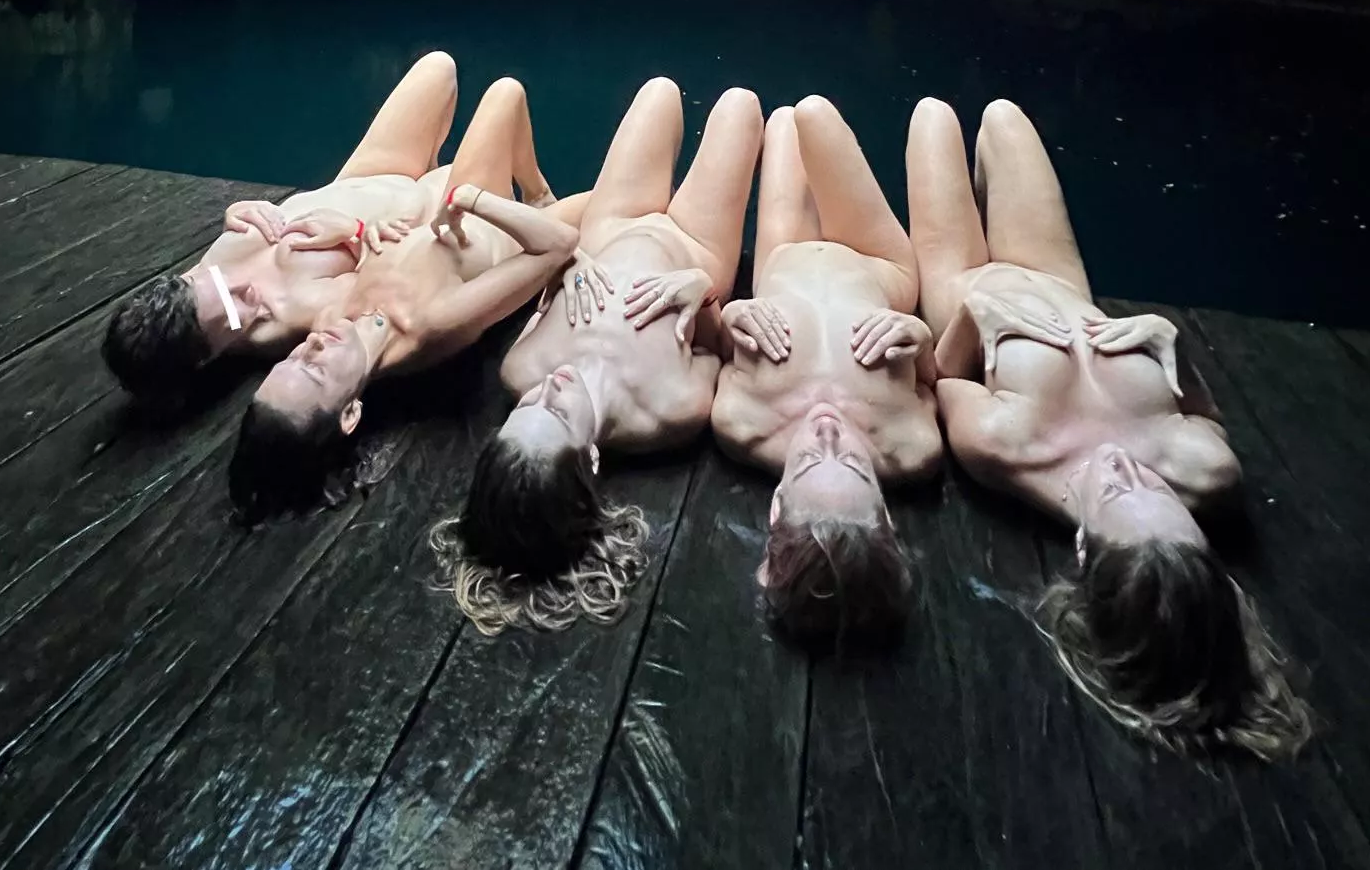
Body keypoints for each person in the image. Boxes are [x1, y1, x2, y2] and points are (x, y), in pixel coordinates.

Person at [908, 95, 1312, 759]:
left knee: (931, 117)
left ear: (1085, 554)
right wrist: (1166, 339)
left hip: (961, 280)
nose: (1129, 471)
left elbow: (939, 378)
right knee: (1007, 118)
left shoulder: (1006, 447)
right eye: (1162, 498)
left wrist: (976, 314)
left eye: (1122, 498)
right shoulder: (1205, 469)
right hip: (1059, 276)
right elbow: (1198, 407)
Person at [436, 77, 764, 634]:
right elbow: (723, 347)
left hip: (609, 228)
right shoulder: (669, 410)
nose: (550, 385)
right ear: (590, 458)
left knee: (658, 92)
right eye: (558, 411)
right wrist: (701, 288)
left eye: (524, 409)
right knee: (739, 106)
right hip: (694, 246)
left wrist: (567, 264)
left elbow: (543, 291)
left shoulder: (520, 370)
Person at [228, 74, 589, 521]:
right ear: (350, 414)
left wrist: (357, 232)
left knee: (494, 93)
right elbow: (556, 246)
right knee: (507, 94)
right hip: (495, 224)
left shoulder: (329, 322)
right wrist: (476, 200)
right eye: (316, 370)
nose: (311, 346)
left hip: (449, 215)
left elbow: (251, 315)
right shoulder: (429, 323)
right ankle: (538, 195)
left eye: (293, 359)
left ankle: (529, 196)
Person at [711, 98, 941, 649]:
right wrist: (922, 339)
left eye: (811, 459)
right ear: (884, 509)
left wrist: (730, 314)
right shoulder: (913, 447)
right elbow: (936, 380)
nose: (828, 433)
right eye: (857, 468)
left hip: (782, 258)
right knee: (813, 113)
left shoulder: (740, 423)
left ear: (777, 502)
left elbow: (717, 345)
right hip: (875, 261)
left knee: (785, 122)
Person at [101, 50, 460, 399]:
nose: (245, 287)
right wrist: (355, 232)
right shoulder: (292, 315)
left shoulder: (194, 293)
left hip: (362, 176)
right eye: (232, 311)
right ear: (210, 355)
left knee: (438, 68)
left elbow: (177, 304)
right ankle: (436, 172)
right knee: (487, 174)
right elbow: (399, 272)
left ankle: (428, 161)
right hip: (418, 205)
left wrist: (237, 210)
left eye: (217, 281)